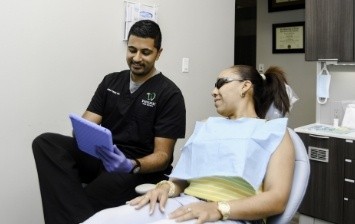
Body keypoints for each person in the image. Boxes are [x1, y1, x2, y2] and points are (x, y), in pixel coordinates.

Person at [81, 65, 296, 224]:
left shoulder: (274, 132)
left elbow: (277, 199)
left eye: (221, 83)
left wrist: (219, 208)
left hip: (231, 215)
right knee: (102, 219)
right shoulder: (206, 126)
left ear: (245, 86)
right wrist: (166, 187)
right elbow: (181, 180)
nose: (213, 91)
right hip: (185, 203)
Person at [32, 19, 186, 224]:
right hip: (105, 155)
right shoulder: (111, 81)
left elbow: (163, 156)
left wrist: (131, 164)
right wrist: (82, 133)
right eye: (132, 50)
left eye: (145, 52)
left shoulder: (169, 94)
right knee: (45, 142)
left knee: (81, 201)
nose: (137, 58)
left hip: (136, 167)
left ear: (159, 53)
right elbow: (88, 122)